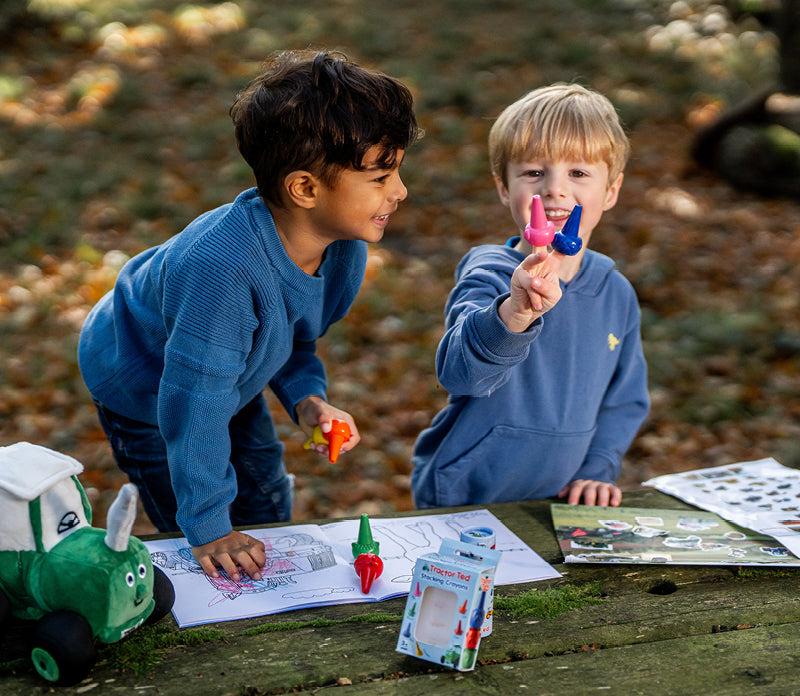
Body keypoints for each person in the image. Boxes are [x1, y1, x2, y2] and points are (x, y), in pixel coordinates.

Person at [79, 49, 419, 581]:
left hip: (222, 370)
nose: (400, 191)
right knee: (204, 539)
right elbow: (194, 404)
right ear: (304, 188)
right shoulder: (224, 270)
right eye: (380, 178)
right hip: (145, 381)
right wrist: (210, 527)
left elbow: (292, 339)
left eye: (396, 171)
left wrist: (308, 401)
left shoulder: (342, 245)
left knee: (263, 496)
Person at [411, 83, 649, 510]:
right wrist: (512, 313)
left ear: (610, 191)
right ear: (504, 188)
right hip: (467, 496)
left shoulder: (615, 292)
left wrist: (599, 467)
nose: (555, 189)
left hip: (558, 503)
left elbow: (625, 399)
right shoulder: (488, 271)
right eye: (534, 173)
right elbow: (460, 375)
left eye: (578, 173)